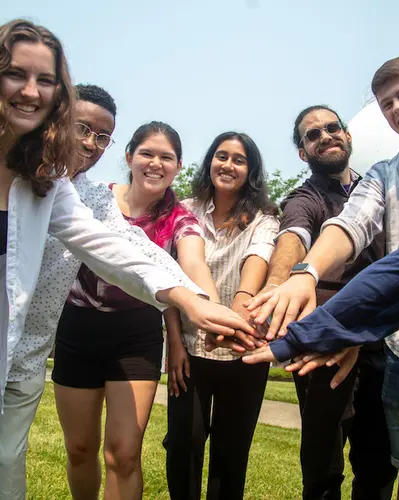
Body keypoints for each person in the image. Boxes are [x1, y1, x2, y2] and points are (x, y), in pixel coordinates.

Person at [245, 1, 399, 496]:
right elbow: (349, 230)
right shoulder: (379, 177)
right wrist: (302, 275)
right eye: (385, 103)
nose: (397, 108)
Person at [0, 20, 254, 500]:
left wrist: (195, 300)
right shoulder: (82, 188)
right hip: (67, 336)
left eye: (46, 81)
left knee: (14, 469)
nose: (30, 92)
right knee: (77, 449)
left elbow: (119, 248)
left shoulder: (55, 189)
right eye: (15, 74)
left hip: (38, 357)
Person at [52, 118, 219, 500]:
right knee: (79, 448)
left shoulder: (181, 220)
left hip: (136, 336)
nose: (155, 163)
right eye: (146, 153)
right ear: (129, 156)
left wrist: (209, 307)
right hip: (77, 329)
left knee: (123, 455)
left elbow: (193, 265)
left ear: (178, 166)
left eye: (167, 157)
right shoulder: (93, 197)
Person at [249, 104, 393, 500]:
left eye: (332, 128)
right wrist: (279, 284)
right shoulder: (305, 197)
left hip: (383, 338)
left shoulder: (379, 189)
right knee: (322, 462)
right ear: (303, 152)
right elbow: (292, 235)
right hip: (324, 341)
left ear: (348, 136)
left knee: (379, 462)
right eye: (312, 134)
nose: (325, 135)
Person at [164, 132, 279, 500]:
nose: (228, 165)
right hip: (190, 348)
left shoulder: (264, 217)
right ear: (210, 161)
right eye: (221, 156)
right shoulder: (183, 210)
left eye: (239, 160)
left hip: (243, 347)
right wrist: (174, 342)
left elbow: (256, 259)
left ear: (251, 170)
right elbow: (167, 276)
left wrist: (237, 310)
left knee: (231, 451)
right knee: (184, 443)